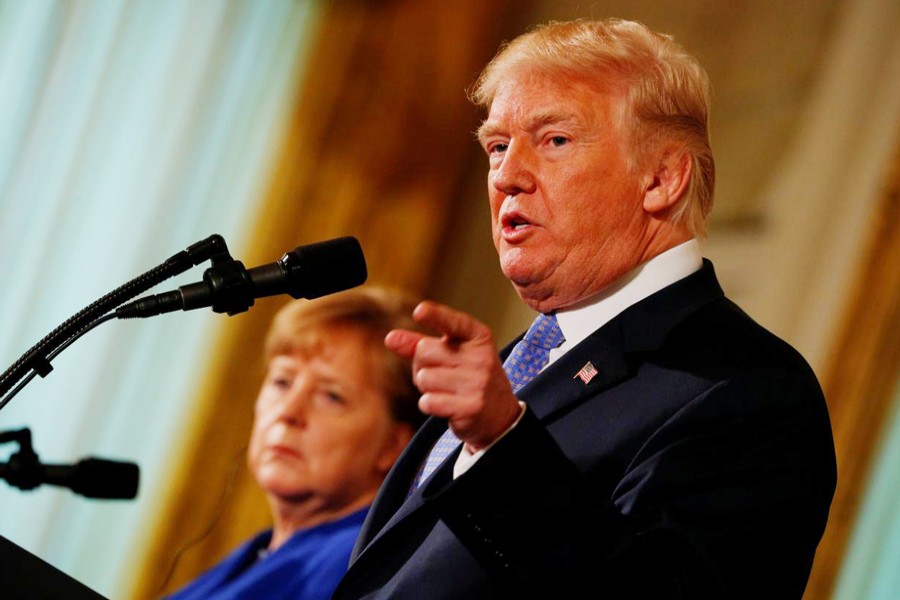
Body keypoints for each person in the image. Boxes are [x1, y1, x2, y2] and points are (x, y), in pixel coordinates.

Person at [332, 18, 837, 599]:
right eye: (497, 146)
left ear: (662, 178)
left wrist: (503, 445)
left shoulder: (747, 391)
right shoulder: (511, 368)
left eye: (555, 141)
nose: (507, 176)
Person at [166, 287, 426, 600]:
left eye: (331, 396)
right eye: (282, 382)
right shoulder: (264, 550)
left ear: (394, 445)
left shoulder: (362, 571)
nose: (289, 411)